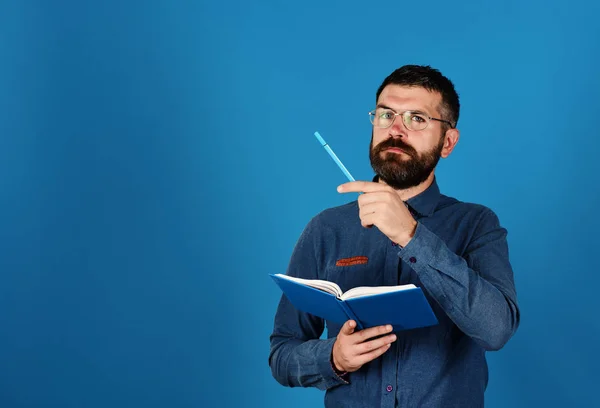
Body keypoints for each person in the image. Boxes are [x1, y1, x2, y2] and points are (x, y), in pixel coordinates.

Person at [268, 64, 520, 407]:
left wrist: (412, 236)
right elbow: (282, 354)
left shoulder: (476, 223)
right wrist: (333, 358)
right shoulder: (326, 229)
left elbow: (496, 330)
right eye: (386, 115)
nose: (396, 130)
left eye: (417, 118)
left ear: (447, 142)